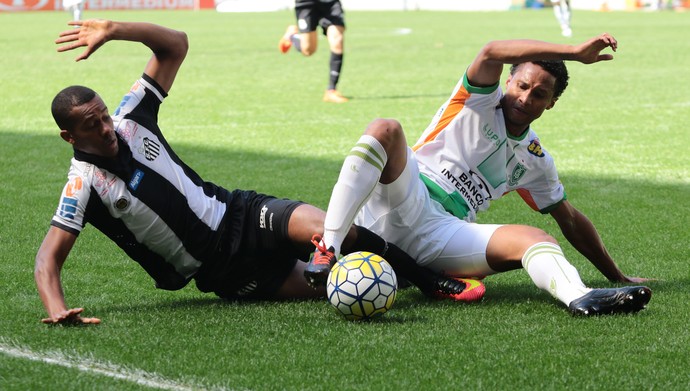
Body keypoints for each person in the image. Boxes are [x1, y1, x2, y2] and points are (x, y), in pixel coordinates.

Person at [35, 19, 482, 325]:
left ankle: (431, 281)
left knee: (333, 231)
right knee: (336, 286)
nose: (105, 128)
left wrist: (115, 30)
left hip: (242, 212)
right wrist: (56, 308)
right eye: (91, 126)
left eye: (102, 116)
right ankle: (403, 275)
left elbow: (176, 43)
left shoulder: (132, 117)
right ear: (69, 138)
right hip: (221, 270)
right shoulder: (83, 187)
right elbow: (47, 260)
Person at [305, 33, 654, 316]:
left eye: (539, 95)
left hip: (442, 233)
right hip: (405, 194)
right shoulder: (476, 99)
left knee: (536, 239)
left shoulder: (536, 160)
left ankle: (580, 297)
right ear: (509, 80)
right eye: (522, 86)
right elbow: (490, 51)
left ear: (551, 104)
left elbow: (571, 221)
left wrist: (617, 274)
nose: (525, 98)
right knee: (386, 128)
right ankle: (328, 249)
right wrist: (573, 52)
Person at [278, 0, 348, 103]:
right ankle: (292, 36)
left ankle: (331, 90)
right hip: (306, 3)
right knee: (308, 50)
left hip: (330, 2)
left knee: (337, 40)